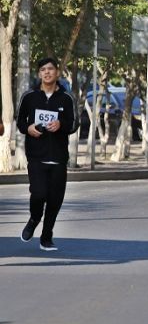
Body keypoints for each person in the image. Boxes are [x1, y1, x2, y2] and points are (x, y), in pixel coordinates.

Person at [16, 57, 77, 251]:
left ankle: (46, 236)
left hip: (58, 157)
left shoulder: (66, 98)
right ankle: (34, 219)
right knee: (38, 194)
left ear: (57, 72)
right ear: (39, 73)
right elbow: (19, 122)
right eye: (43, 69)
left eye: (50, 69)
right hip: (36, 156)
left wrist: (61, 125)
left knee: (55, 199)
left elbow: (74, 124)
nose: (47, 72)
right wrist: (29, 128)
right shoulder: (30, 96)